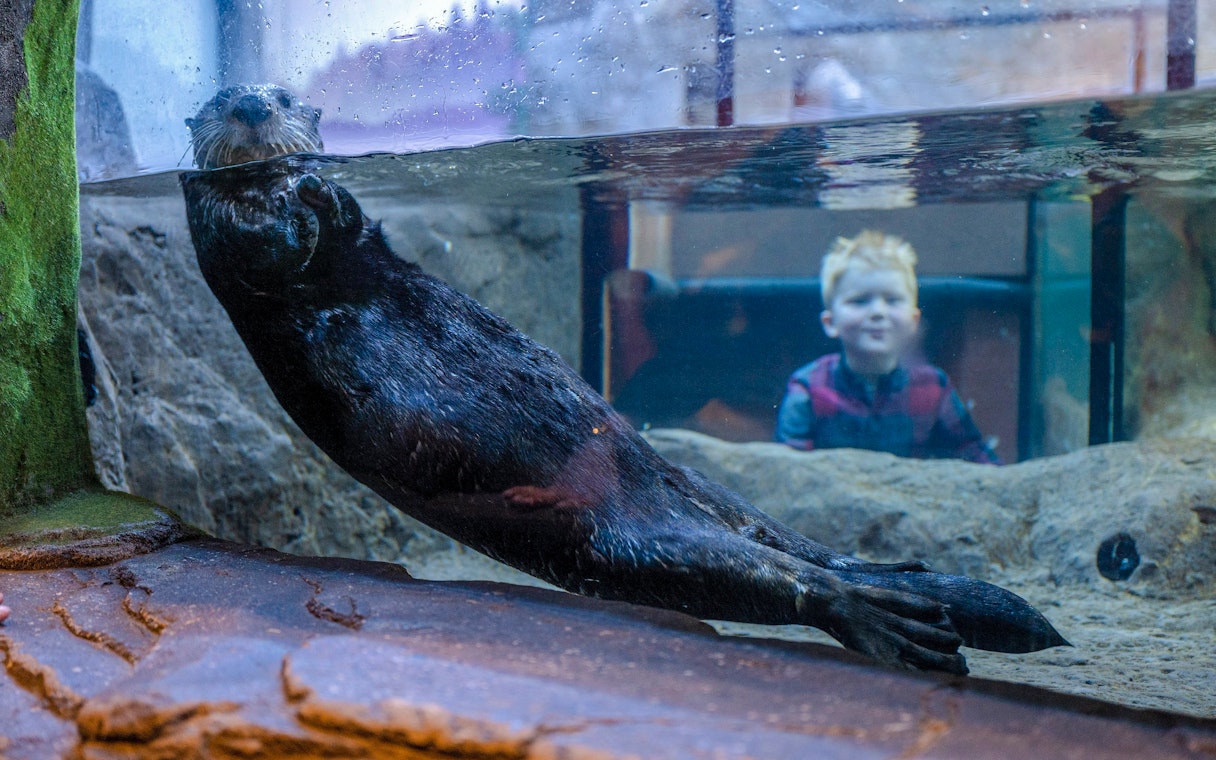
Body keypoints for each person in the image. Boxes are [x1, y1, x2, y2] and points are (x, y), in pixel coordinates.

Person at [776, 230, 1001, 464]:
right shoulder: (808, 387)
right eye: (860, 300)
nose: (878, 312)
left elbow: (976, 458)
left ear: (914, 320)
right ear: (830, 322)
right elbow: (788, 468)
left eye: (892, 300)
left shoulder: (934, 386)